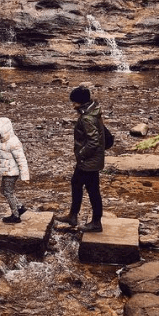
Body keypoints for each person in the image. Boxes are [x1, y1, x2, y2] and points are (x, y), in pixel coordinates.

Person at [56, 85, 105, 232]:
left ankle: (96, 222)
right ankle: (73, 215)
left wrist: (81, 154)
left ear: (81, 102)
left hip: (88, 161)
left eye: (75, 102)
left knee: (92, 191)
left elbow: (93, 142)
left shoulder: (87, 118)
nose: (73, 105)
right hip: (91, 160)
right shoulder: (93, 110)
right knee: (76, 184)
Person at [0, 117, 30, 223]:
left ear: (4, 130)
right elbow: (2, 157)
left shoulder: (13, 142)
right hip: (7, 171)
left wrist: (25, 175)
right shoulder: (3, 141)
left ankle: (16, 216)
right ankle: (20, 207)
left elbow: (21, 159)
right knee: (3, 191)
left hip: (12, 173)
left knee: (8, 192)